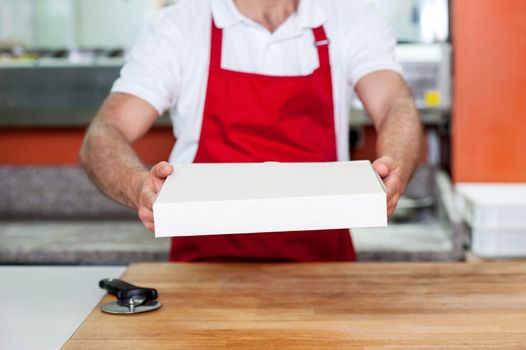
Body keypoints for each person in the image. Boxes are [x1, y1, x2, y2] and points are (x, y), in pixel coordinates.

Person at [79, 0, 423, 262]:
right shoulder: (178, 26)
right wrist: (137, 186)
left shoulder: (352, 18)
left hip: (323, 268)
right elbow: (105, 132)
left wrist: (396, 164)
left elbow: (395, 103)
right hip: (203, 269)